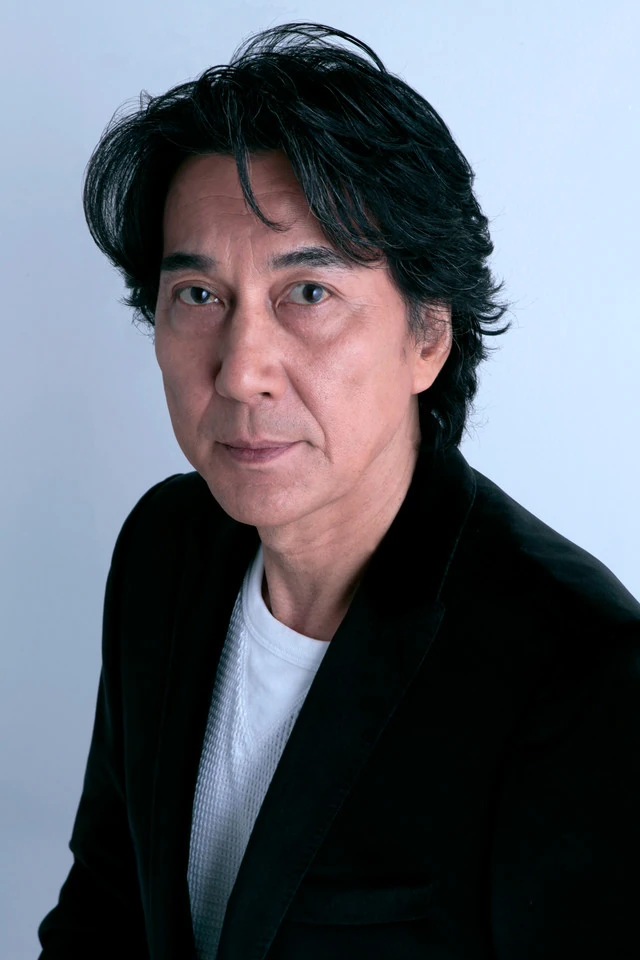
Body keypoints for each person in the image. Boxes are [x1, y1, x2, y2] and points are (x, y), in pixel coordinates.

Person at [37, 20, 640, 960]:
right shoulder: (164, 546)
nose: (241, 372)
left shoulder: (579, 669)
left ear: (428, 335)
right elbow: (105, 912)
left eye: (308, 294)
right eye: (199, 296)